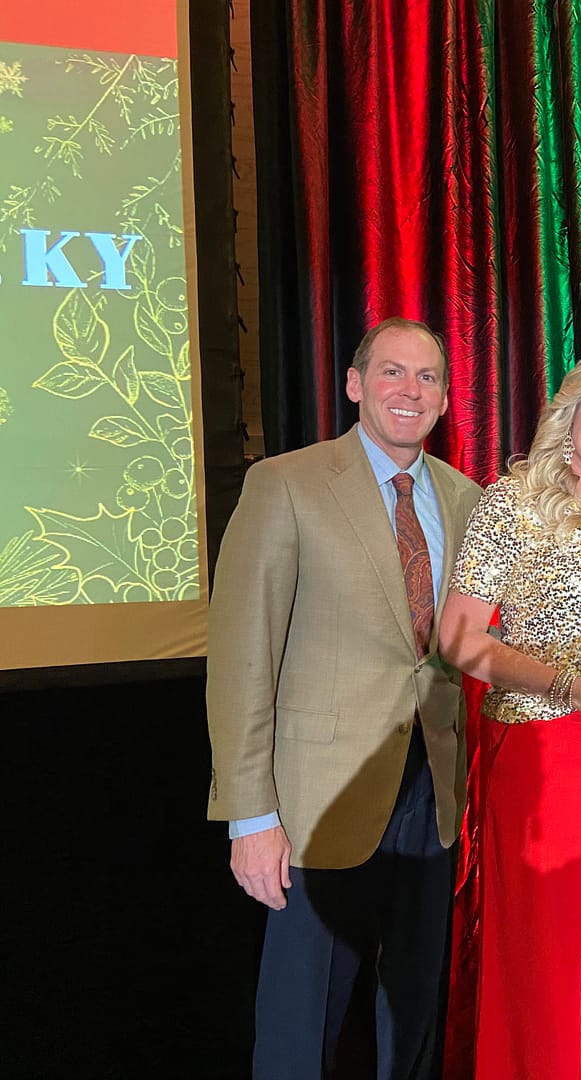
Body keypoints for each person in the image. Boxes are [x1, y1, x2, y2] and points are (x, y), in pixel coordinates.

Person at [207, 317, 482, 1078]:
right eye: (392, 372)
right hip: (312, 802)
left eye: (427, 378)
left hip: (432, 792)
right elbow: (241, 657)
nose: (410, 390)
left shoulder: (466, 499)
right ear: (356, 385)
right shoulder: (285, 484)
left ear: (446, 401)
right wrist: (251, 817)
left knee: (413, 1001)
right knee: (304, 1017)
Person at [438, 349, 581, 1080]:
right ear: (570, 407)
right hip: (548, 750)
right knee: (544, 955)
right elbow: (458, 639)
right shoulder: (509, 502)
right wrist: (567, 685)